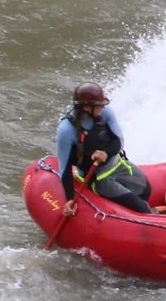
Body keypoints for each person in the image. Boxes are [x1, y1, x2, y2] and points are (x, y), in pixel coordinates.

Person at [55, 83, 151, 215]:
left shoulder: (105, 113)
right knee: (143, 209)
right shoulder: (66, 130)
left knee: (146, 192)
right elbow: (64, 169)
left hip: (117, 165)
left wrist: (105, 153)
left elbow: (118, 141)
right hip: (98, 178)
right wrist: (70, 199)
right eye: (99, 105)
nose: (103, 107)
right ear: (87, 108)